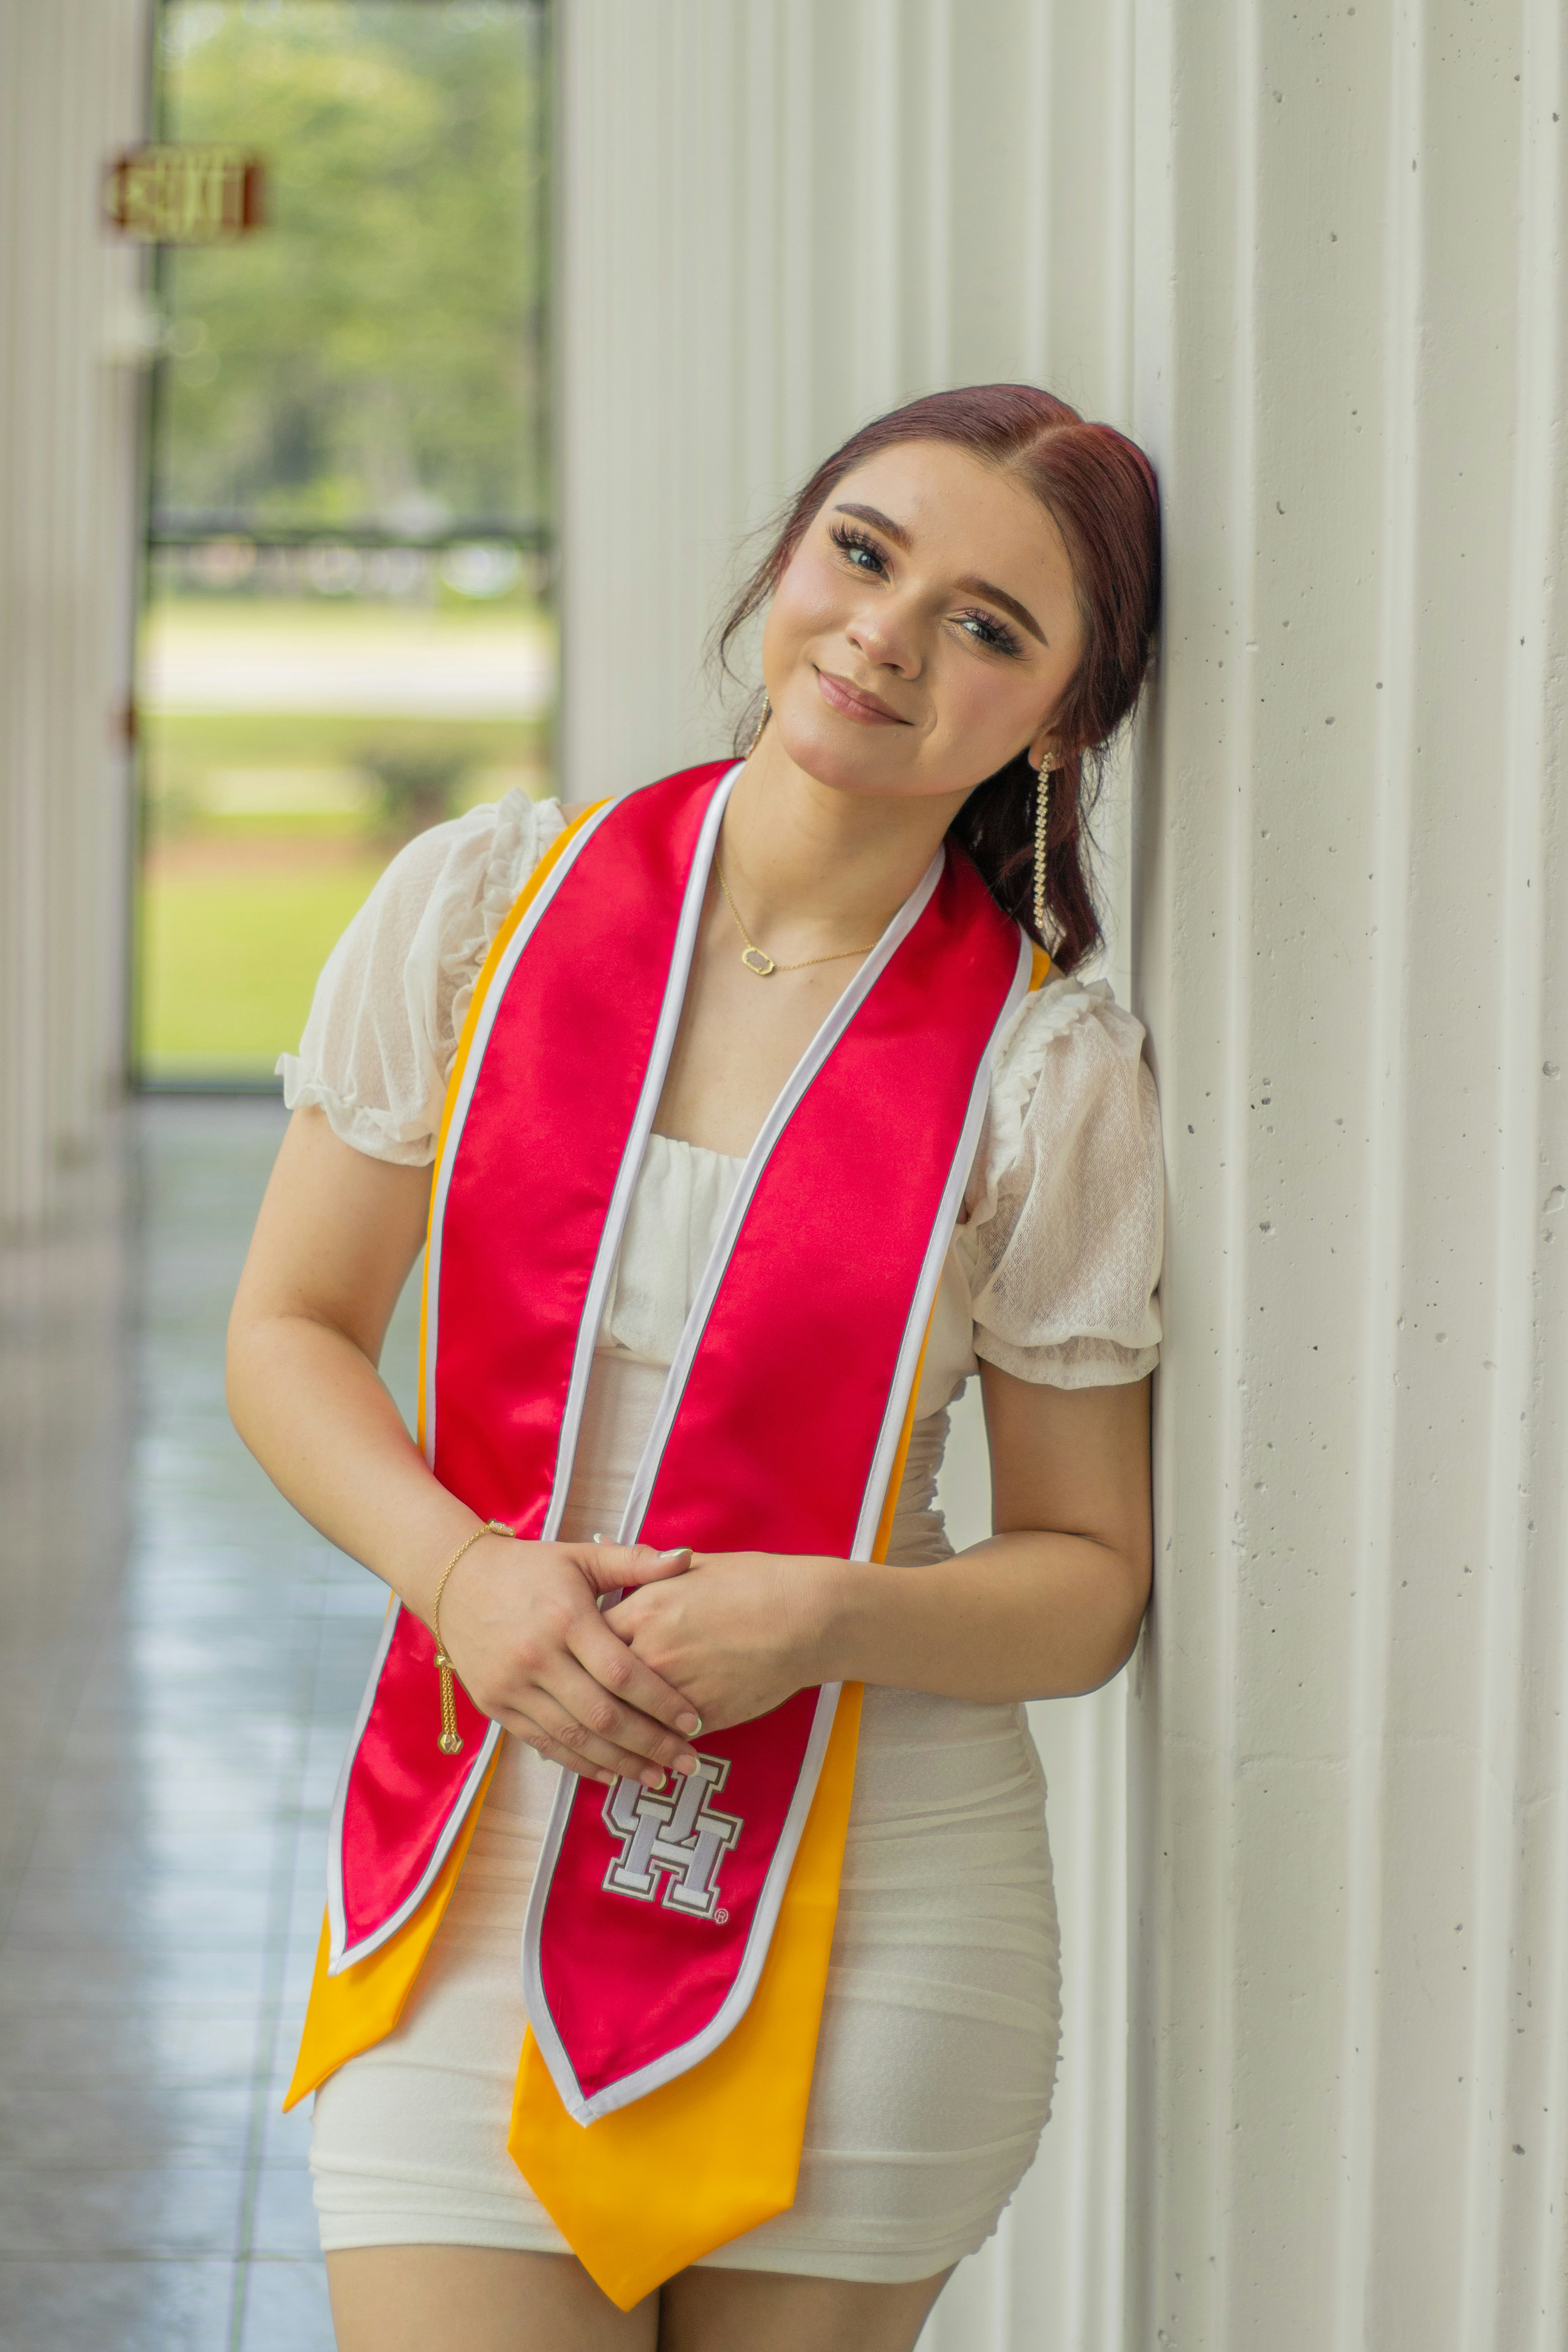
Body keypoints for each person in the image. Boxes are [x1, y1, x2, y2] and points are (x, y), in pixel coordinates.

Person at [227, 383, 1164, 2352]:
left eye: (991, 626)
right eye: (864, 551)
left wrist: (824, 1614)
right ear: (785, 556)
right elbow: (291, 1330)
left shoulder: (1042, 1069)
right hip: (474, 1840)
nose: (888, 638)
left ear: (1064, 716)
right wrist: (461, 1569)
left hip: (864, 1895)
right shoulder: (479, 909)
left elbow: (1086, 1583)